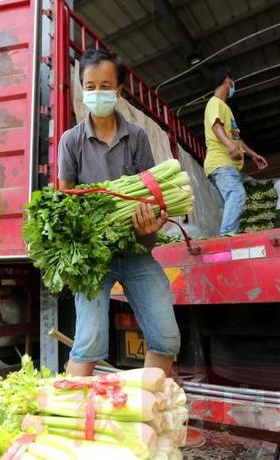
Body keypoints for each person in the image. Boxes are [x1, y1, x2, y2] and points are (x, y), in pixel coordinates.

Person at [58, 48, 179, 377]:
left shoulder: (137, 137)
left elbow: (154, 195)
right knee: (89, 341)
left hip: (137, 251)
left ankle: (150, 410)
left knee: (166, 338)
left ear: (119, 90)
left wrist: (152, 221)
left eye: (105, 86)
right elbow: (64, 198)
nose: (97, 93)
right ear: (82, 89)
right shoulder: (71, 142)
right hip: (94, 258)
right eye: (90, 86)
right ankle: (71, 417)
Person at [204, 68, 268, 236]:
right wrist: (230, 146)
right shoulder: (214, 103)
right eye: (232, 80)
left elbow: (237, 139)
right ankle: (226, 237)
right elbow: (216, 126)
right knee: (237, 193)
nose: (233, 84)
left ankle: (229, 236)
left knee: (230, 202)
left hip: (226, 165)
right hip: (221, 163)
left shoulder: (226, 109)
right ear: (227, 80)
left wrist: (253, 154)